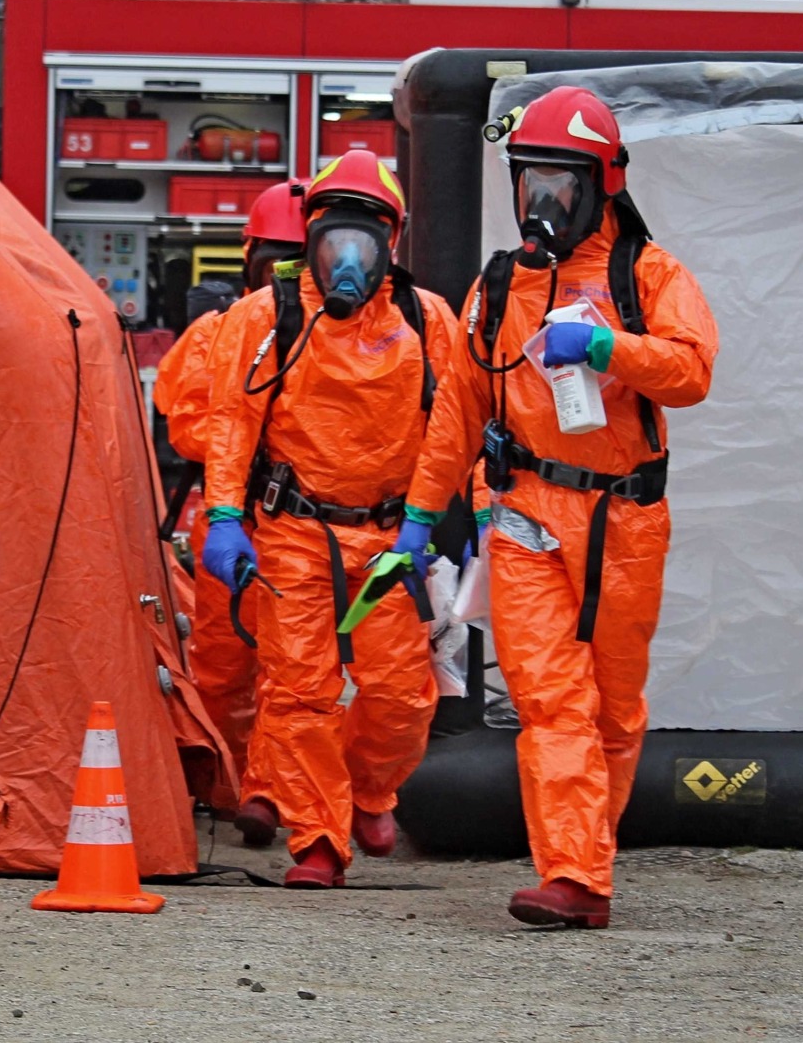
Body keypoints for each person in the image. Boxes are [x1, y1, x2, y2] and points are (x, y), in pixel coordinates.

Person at [394, 85, 718, 929]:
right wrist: (420, 518)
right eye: (530, 179)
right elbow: (458, 412)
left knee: (612, 708)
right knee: (550, 701)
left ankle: (585, 863)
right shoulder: (497, 287)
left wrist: (610, 344)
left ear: (600, 183)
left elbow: (691, 373)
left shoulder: (649, 276)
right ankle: (572, 873)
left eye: (560, 182)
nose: (543, 200)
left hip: (624, 521)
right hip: (523, 512)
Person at [200, 151, 462, 888]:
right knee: (297, 691)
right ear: (311, 239)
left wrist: (434, 520)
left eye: (364, 241)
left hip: (387, 535)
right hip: (295, 531)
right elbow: (232, 419)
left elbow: (452, 427)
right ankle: (317, 841)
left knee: (402, 696)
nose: (347, 258)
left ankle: (370, 790)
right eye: (332, 239)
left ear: (390, 244)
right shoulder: (266, 315)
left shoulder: (426, 320)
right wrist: (225, 515)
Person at [152, 180, 305, 830]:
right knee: (222, 661)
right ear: (249, 262)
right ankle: (228, 784)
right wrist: (246, 440)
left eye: (296, 262)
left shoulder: (342, 336)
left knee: (298, 670)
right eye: (274, 263)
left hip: (307, 524)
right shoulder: (217, 334)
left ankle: (283, 791)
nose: (283, 278)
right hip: (234, 519)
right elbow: (185, 424)